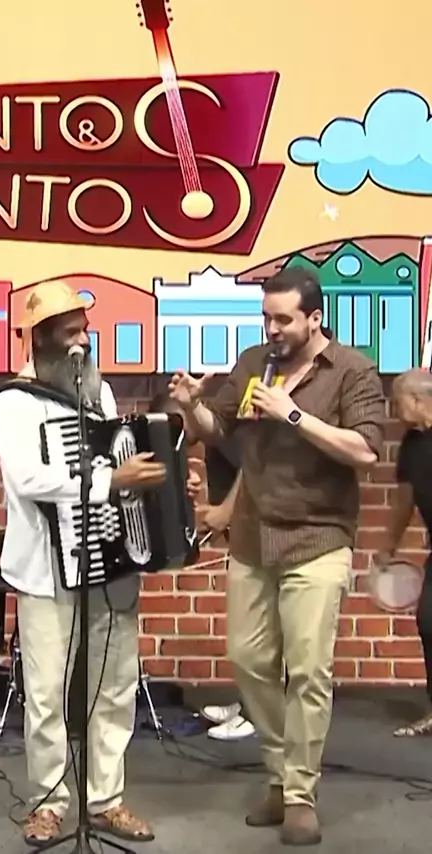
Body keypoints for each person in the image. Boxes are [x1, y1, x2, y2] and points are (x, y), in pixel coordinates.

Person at [168, 266, 385, 846]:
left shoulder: (352, 371)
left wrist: (292, 412)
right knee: (248, 660)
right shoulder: (252, 364)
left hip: (318, 538)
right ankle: (282, 770)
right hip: (253, 537)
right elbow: (218, 429)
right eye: (266, 318)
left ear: (315, 318)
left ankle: (297, 794)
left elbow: (364, 451)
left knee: (309, 670)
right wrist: (192, 406)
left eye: (283, 319)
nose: (272, 329)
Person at [0, 280, 199, 848]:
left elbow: (113, 454)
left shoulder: (98, 393)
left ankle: (105, 800)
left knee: (116, 687)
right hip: (44, 571)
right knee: (48, 695)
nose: (81, 341)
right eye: (69, 332)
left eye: (84, 330)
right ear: (40, 339)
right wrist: (111, 480)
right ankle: (49, 803)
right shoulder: (13, 402)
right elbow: (29, 479)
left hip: (107, 564)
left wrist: (161, 484)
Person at [149, 393, 255, 741]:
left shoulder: (229, 432)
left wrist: (225, 511)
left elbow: (255, 465)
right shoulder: (215, 438)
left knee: (258, 633)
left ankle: (258, 714)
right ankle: (251, 702)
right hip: (247, 537)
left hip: (269, 539)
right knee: (246, 630)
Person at [378, 368, 432, 737]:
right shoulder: (412, 444)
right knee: (429, 623)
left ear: (416, 399)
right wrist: (388, 545)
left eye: (397, 403)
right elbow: (405, 500)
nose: (394, 410)